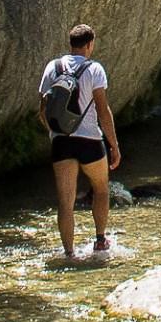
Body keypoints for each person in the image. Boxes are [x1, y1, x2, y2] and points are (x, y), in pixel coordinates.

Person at [38, 24, 121, 259]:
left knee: (65, 201)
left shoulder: (52, 67)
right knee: (101, 188)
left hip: (61, 141)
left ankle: (68, 252)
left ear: (70, 43)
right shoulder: (94, 69)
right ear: (89, 45)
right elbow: (103, 111)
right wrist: (114, 145)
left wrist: (54, 134)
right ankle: (100, 240)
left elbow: (43, 108)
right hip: (89, 140)